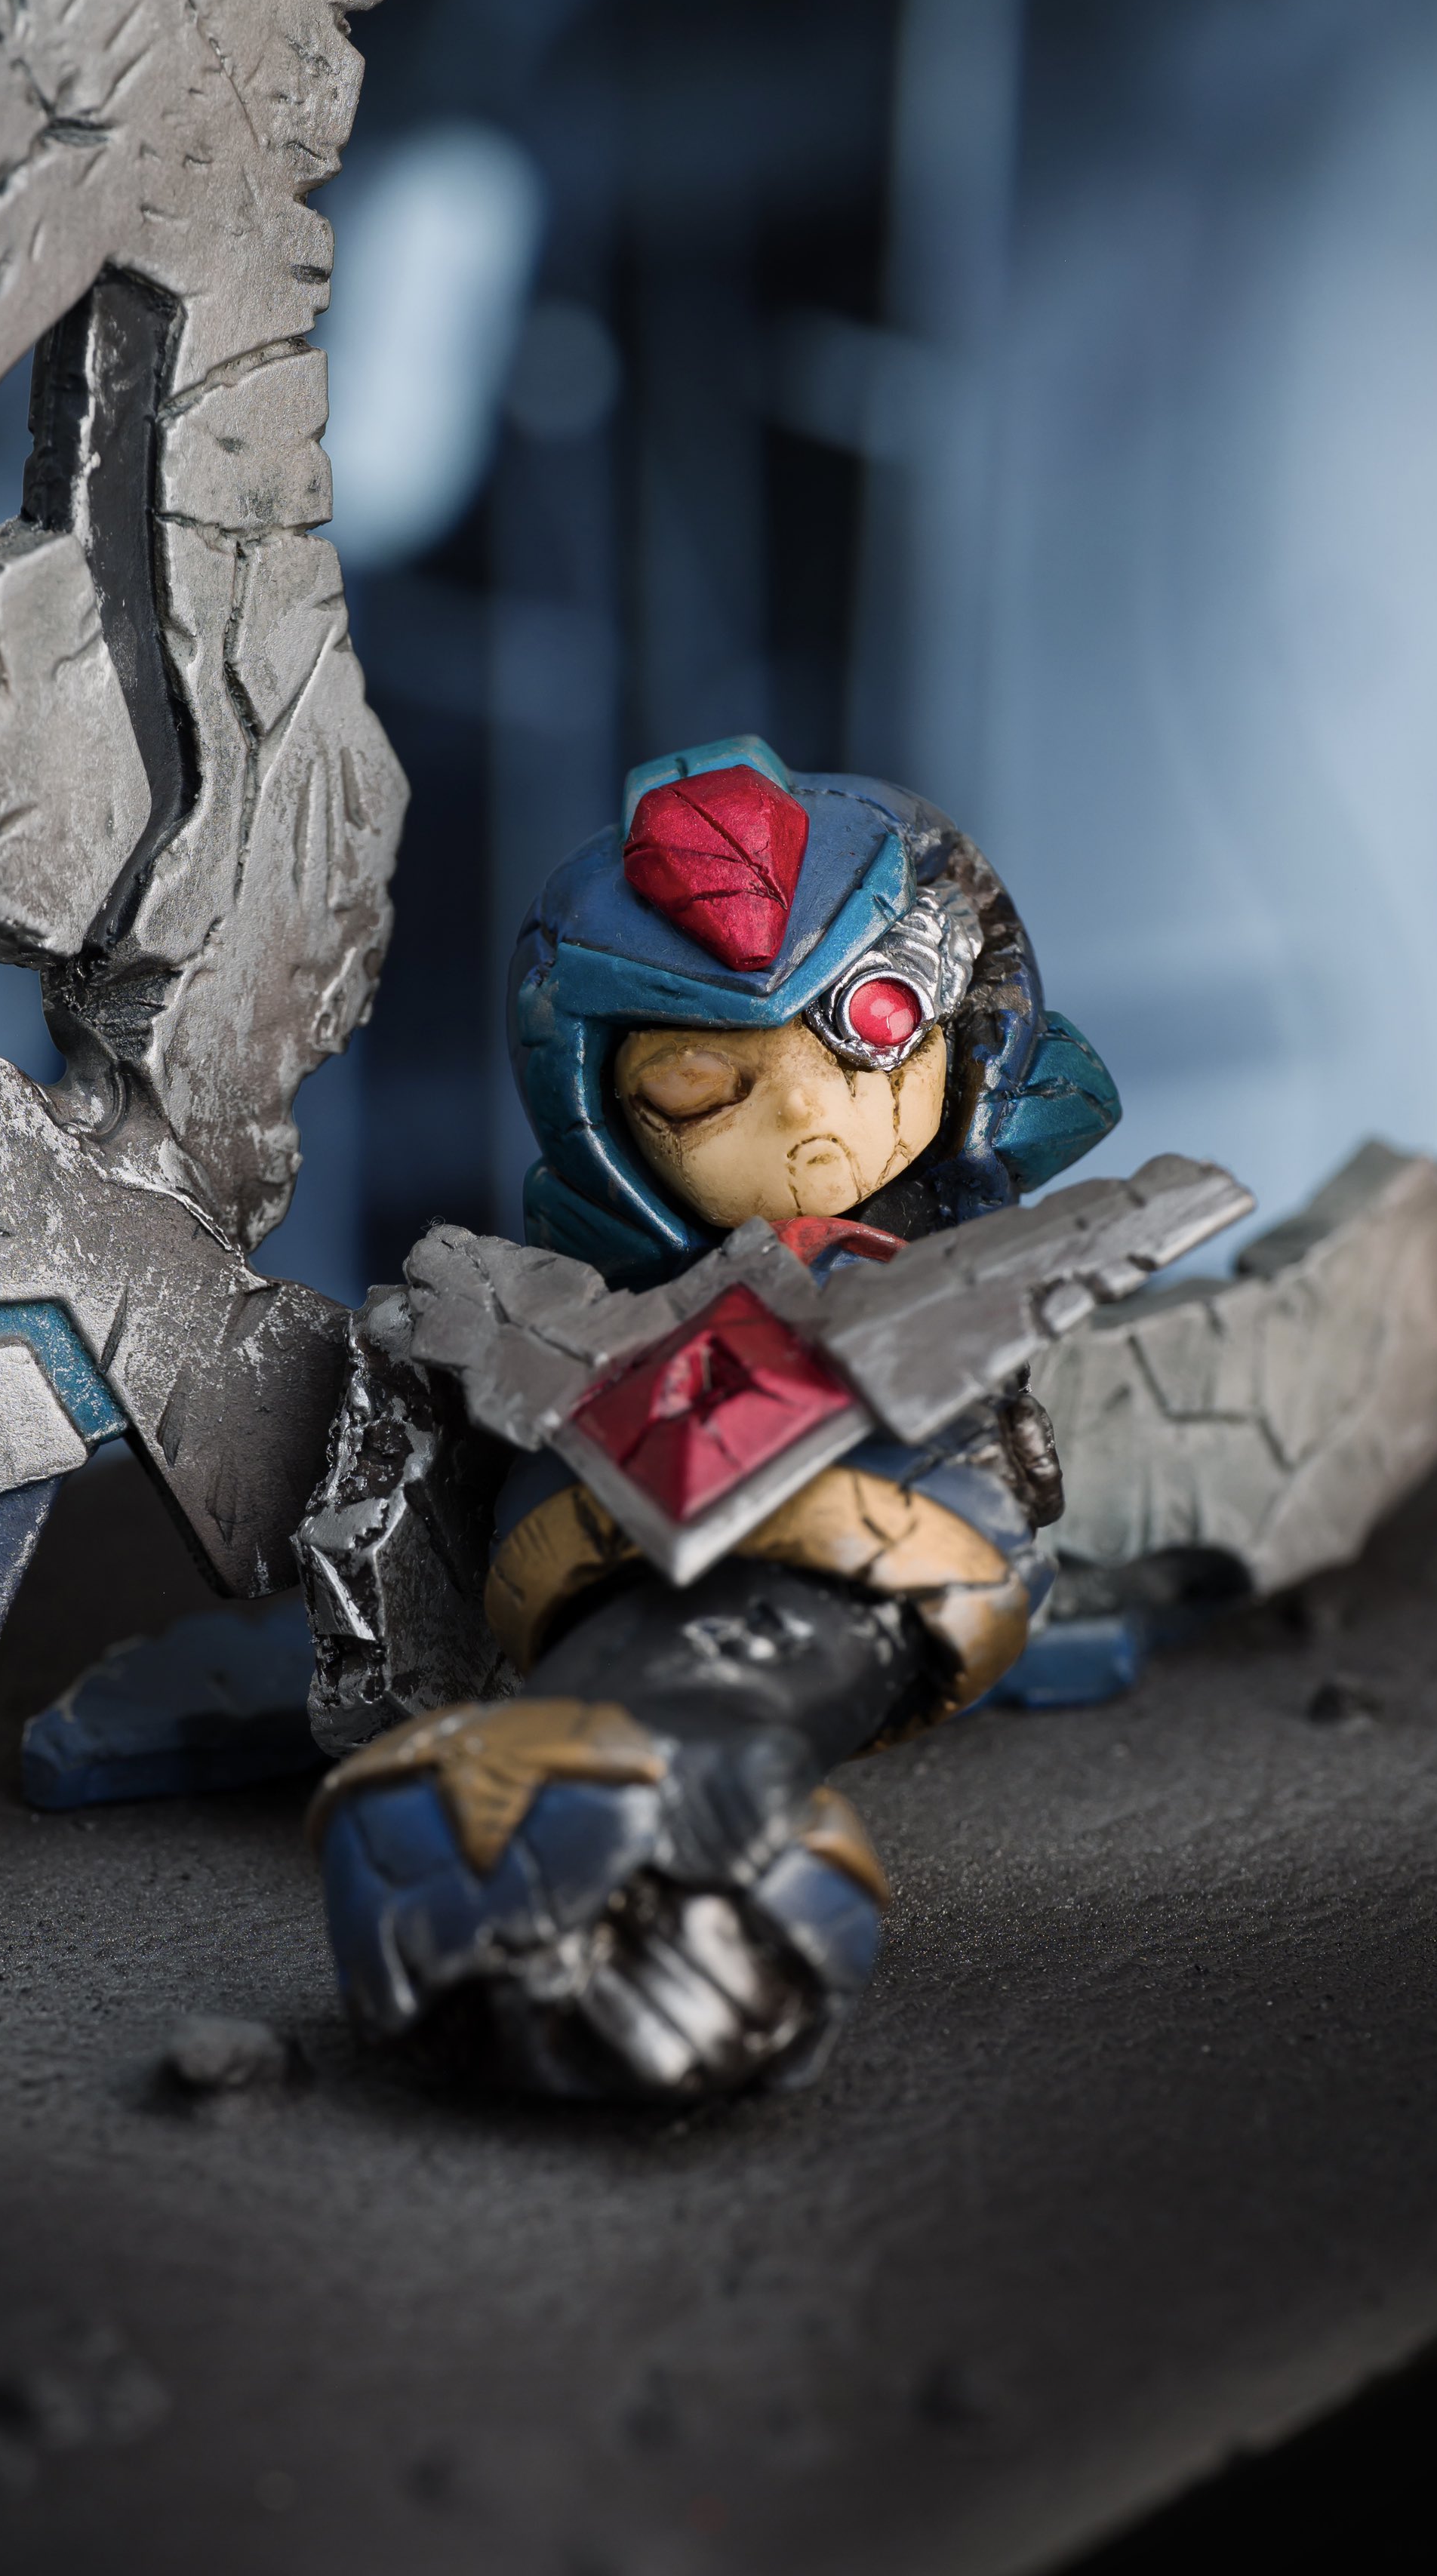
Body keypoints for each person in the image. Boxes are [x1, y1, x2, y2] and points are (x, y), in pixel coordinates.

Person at [303, 737, 1121, 2099]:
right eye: (699, 1086)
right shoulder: (601, 1292)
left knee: (798, 1631)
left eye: (867, 1022)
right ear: (605, 1116)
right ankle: (596, 1830)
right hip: (611, 1513)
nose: (808, 1117)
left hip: (879, 1522)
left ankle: (666, 1838)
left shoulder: (958, 1277)